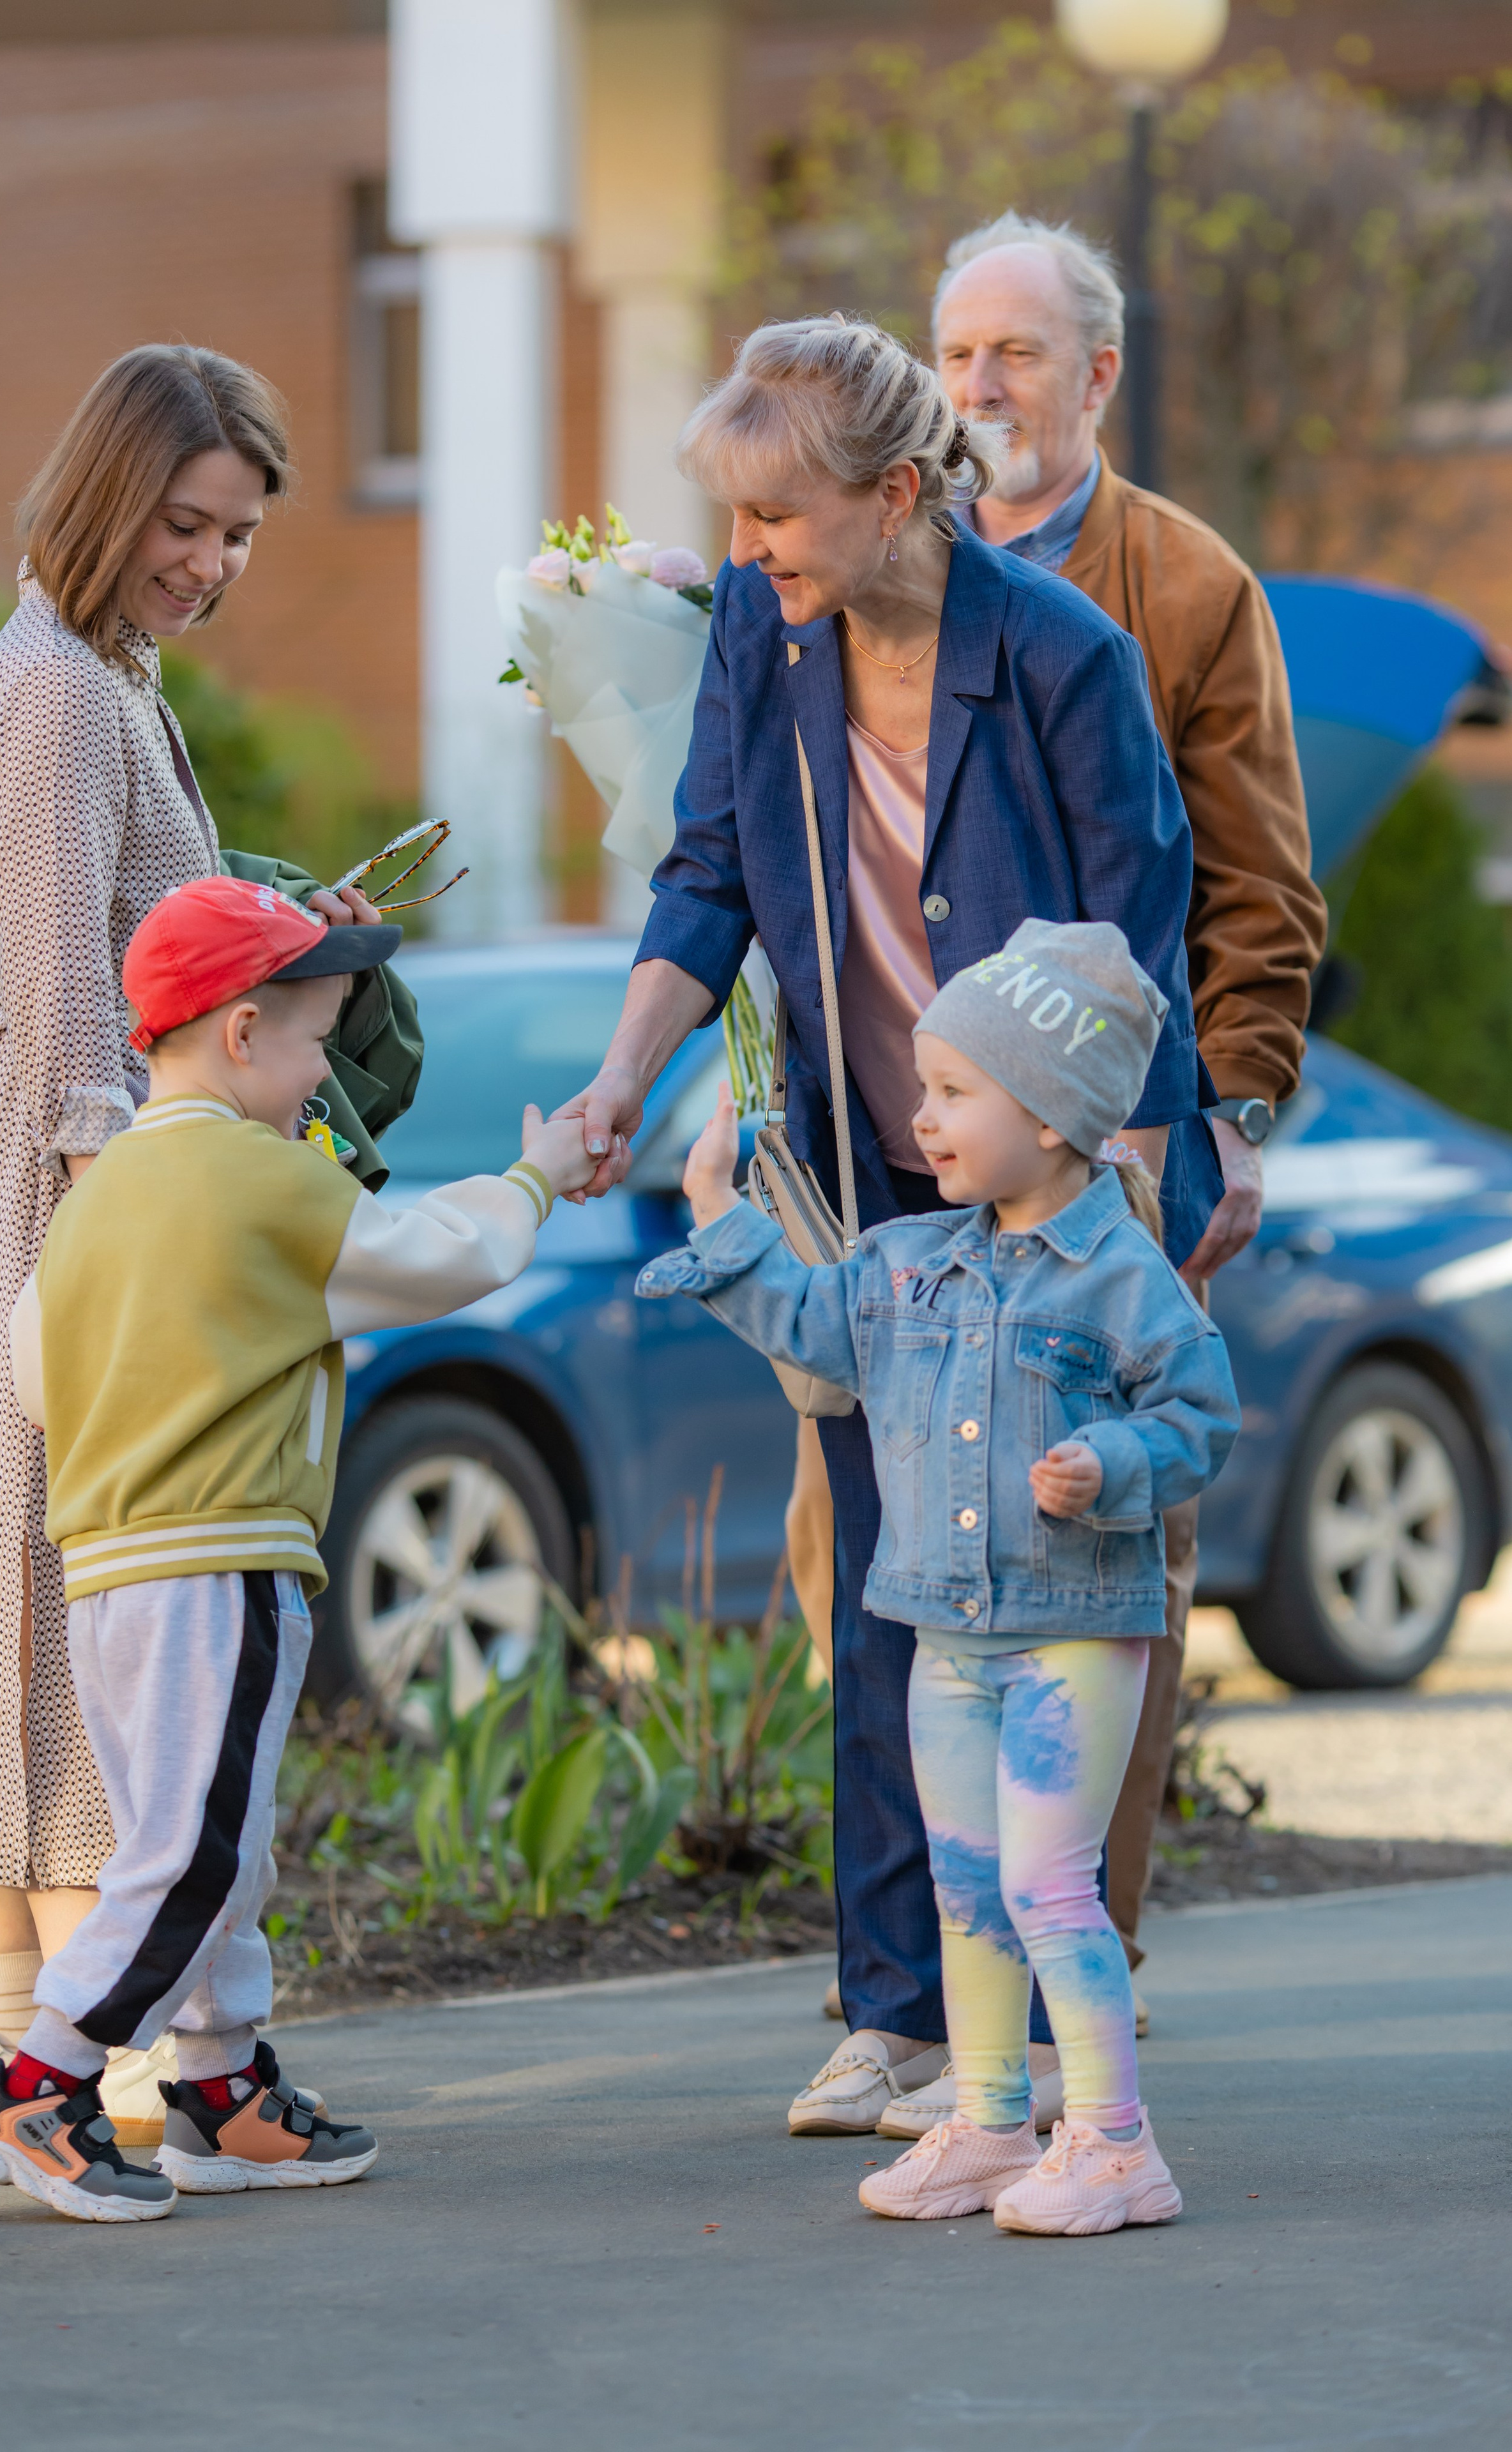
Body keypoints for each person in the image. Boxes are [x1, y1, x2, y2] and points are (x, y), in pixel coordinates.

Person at [557, 315, 1220, 2135]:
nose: (755, 546)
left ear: (898, 495)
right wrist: (626, 1076)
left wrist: (1104, 1197)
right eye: (742, 517)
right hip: (866, 1167)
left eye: (781, 512)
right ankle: (897, 2013)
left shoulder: (1066, 656)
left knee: (1027, 1588)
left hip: (1057, 1188)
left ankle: (1027, 2030)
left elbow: (1138, 943)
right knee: (883, 1570)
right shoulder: (767, 648)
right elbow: (706, 871)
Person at [0, 344, 409, 2147]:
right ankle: (65, 2066)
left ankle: (102, 2062)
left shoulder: (105, 670)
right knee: (62, 1627)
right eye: (187, 522)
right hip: (60, 1190)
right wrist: (140, 1227)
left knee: (65, 1630)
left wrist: (284, 945)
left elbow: (134, 948)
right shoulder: (56, 695)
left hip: (77, 1190)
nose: (212, 560)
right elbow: (57, 992)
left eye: (241, 533)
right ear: (109, 496)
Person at [0, 876, 594, 2221]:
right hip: (221, 1558)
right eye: (313, 1042)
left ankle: (219, 2088)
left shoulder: (100, 1195)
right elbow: (428, 1255)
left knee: (207, 1833)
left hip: (110, 1569)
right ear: (240, 1034)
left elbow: (34, 1377)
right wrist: (538, 1177)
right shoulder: (261, 1173)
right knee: (193, 1851)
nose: (318, 1078)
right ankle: (39, 2081)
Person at [640, 920, 1239, 2234]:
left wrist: (1112, 1456)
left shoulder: (1122, 1275)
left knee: (1043, 1886)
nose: (922, 1117)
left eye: (954, 1091)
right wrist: (720, 1224)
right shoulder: (905, 1261)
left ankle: (1115, 2143)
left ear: (1054, 1110)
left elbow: (1200, 1416)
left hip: (1074, 1635)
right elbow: (812, 1338)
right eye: (924, 1088)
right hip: (941, 1643)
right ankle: (983, 2124)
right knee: (967, 1892)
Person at [929, 213, 1326, 2002]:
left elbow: (1260, 891)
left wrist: (1226, 1108)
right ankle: (924, 1977)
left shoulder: (1186, 583)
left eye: (1015, 352)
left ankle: (1091, 1955)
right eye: (954, 355)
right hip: (913, 1153)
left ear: (1098, 374)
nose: (980, 387)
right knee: (901, 1551)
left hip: (1113, 1163)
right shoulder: (887, 565)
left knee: (1102, 1556)